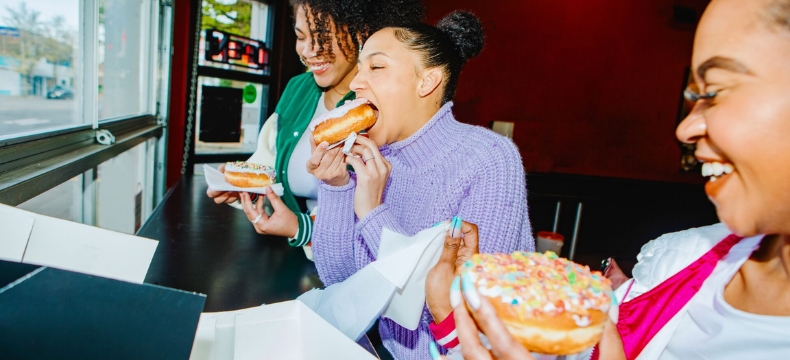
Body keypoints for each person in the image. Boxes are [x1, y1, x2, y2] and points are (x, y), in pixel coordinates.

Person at [438, 0, 790, 358]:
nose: (686, 128)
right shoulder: (679, 265)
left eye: (714, 91)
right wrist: (457, 313)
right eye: (694, 98)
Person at [307, 11, 535, 360]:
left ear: (426, 82)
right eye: (360, 67)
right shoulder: (372, 158)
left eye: (376, 67)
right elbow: (342, 284)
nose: (355, 83)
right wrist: (337, 185)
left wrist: (372, 212)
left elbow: (464, 314)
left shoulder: (489, 159)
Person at [206, 0, 425, 247]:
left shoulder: (384, 109)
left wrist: (303, 228)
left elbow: (390, 223)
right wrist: (242, 186)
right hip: (284, 258)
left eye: (322, 36)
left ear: (361, 32)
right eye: (301, 37)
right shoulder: (296, 88)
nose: (309, 51)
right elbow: (269, 165)